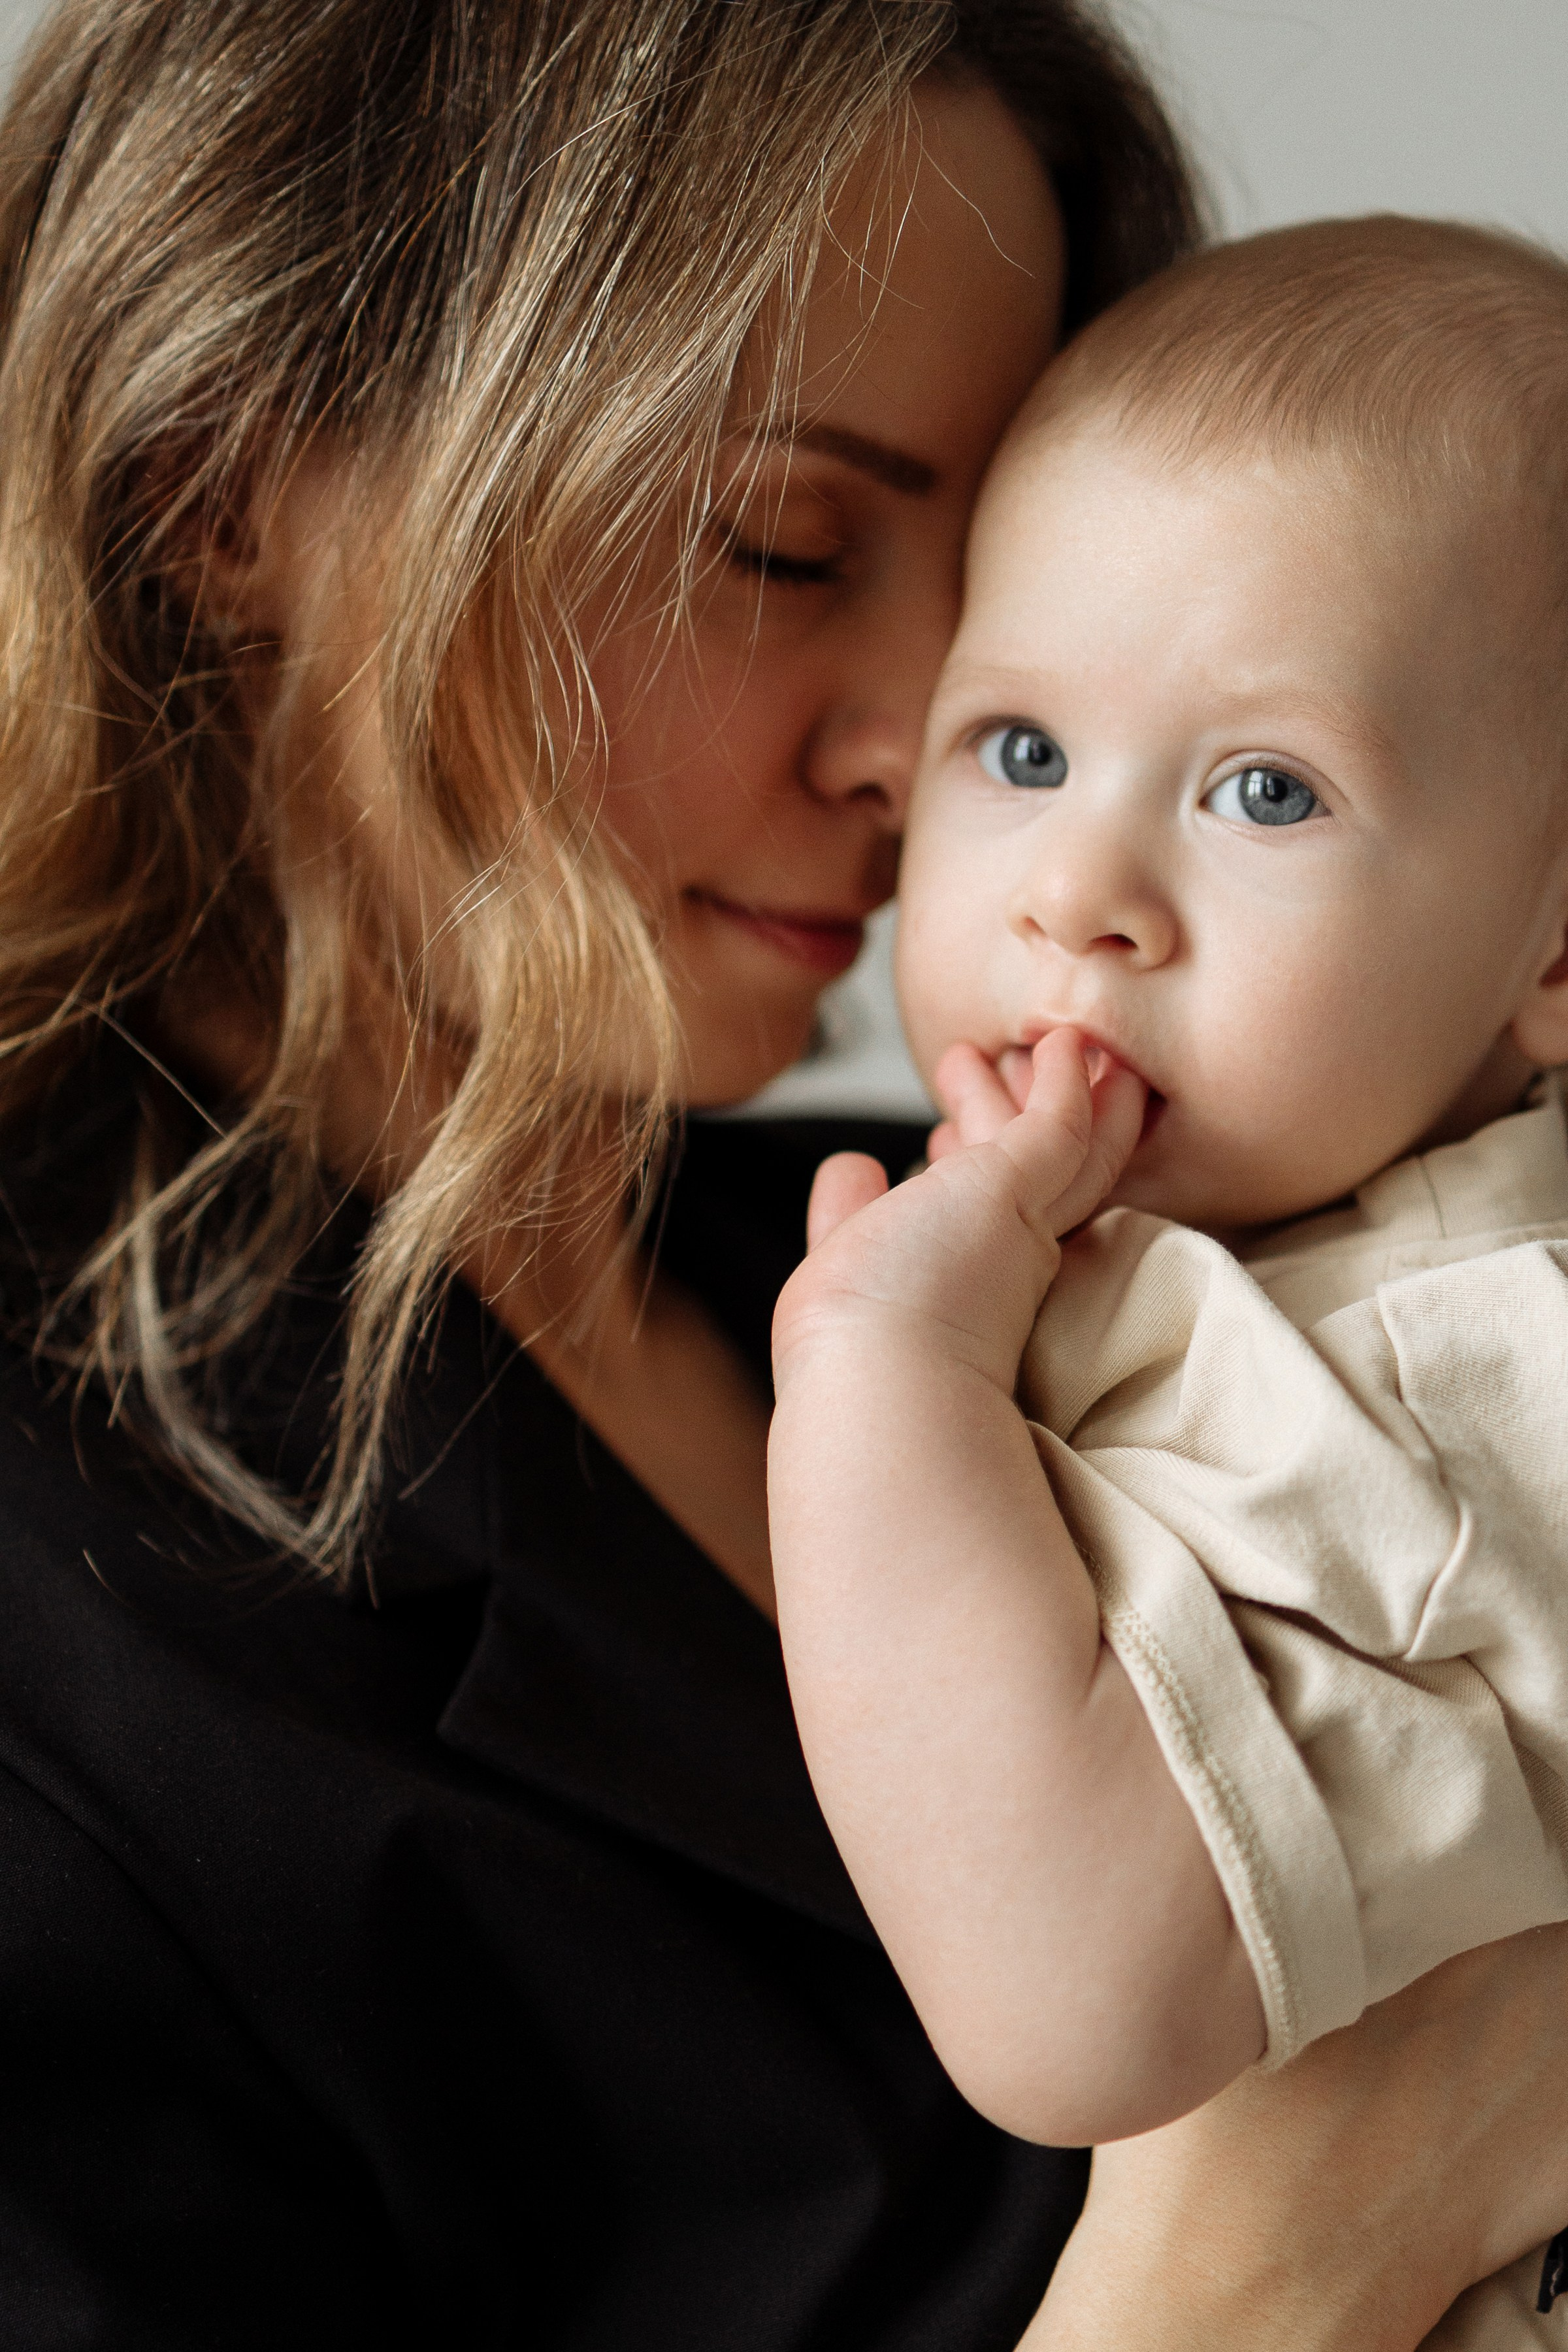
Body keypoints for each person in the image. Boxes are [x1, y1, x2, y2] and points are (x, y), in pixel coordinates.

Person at [0, 0, 1561, 2338]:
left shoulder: (1022, 1233)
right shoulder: (64, 1646)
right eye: (784, 540)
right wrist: (1269, 2267)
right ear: (225, 487)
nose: (919, 743)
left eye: (981, 585)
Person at [766, 213, 1568, 2348]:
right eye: (1020, 749)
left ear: (1556, 950)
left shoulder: (1446, 1377)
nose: (1083, 894)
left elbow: (1081, 2004)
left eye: (1265, 790)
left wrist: (877, 1370)